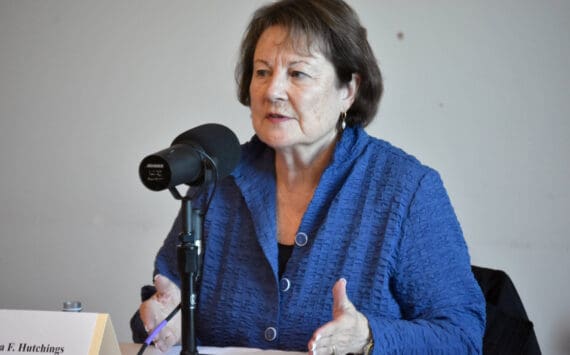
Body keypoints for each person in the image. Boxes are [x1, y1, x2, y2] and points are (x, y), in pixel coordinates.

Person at [136, 0, 486, 354]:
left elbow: (461, 336)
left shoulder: (406, 190)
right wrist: (165, 317)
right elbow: (164, 299)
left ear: (348, 90)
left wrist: (368, 337)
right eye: (262, 72)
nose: (272, 91)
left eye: (298, 73)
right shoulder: (218, 178)